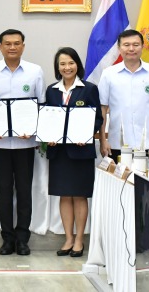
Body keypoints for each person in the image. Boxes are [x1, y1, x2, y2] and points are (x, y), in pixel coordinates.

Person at [0, 29, 45, 256]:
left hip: (25, 145)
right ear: (0, 47)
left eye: (17, 43)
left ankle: (23, 239)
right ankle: (7, 239)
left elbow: (41, 106)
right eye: (8, 44)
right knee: (4, 192)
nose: (12, 47)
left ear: (23, 46)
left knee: (25, 192)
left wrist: (34, 129)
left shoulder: (35, 71)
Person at [45, 47, 104, 257]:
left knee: (79, 196)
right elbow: (47, 117)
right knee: (64, 195)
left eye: (70, 63)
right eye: (62, 64)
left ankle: (80, 239)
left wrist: (86, 134)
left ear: (77, 65)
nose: (67, 67)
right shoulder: (51, 90)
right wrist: (47, 137)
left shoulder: (89, 89)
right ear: (57, 67)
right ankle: (68, 238)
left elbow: (98, 117)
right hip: (59, 152)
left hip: (81, 151)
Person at [98, 29, 149, 161]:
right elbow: (102, 108)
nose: (131, 48)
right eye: (126, 45)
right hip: (117, 143)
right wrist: (103, 139)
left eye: (136, 45)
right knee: (119, 181)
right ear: (119, 48)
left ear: (142, 47)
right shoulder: (108, 74)